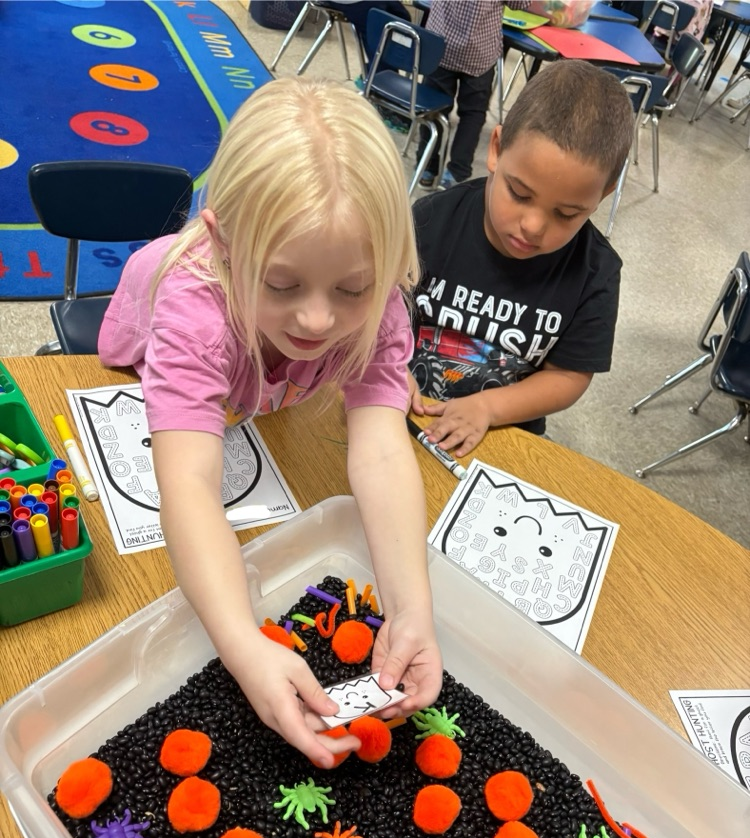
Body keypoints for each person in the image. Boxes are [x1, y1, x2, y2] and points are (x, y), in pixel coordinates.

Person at [98, 78, 443, 769]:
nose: (317, 318)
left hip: (258, 393)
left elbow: (381, 452)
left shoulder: (378, 306)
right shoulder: (193, 312)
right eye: (283, 284)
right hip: (137, 355)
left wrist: (412, 609)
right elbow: (188, 487)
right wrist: (243, 644)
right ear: (223, 245)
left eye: (352, 288)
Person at [407, 60, 635, 454]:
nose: (533, 226)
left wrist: (489, 407)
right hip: (404, 401)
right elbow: (376, 310)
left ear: (604, 193)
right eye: (519, 194)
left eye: (566, 214)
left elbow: (568, 376)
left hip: (504, 430)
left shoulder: (595, 273)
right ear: (496, 149)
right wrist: (388, 366)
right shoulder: (430, 221)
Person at [416, 0, 531, 190]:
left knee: (432, 109)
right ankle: (456, 173)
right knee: (472, 114)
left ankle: (427, 168)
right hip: (478, 52)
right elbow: (520, 4)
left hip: (440, 45)